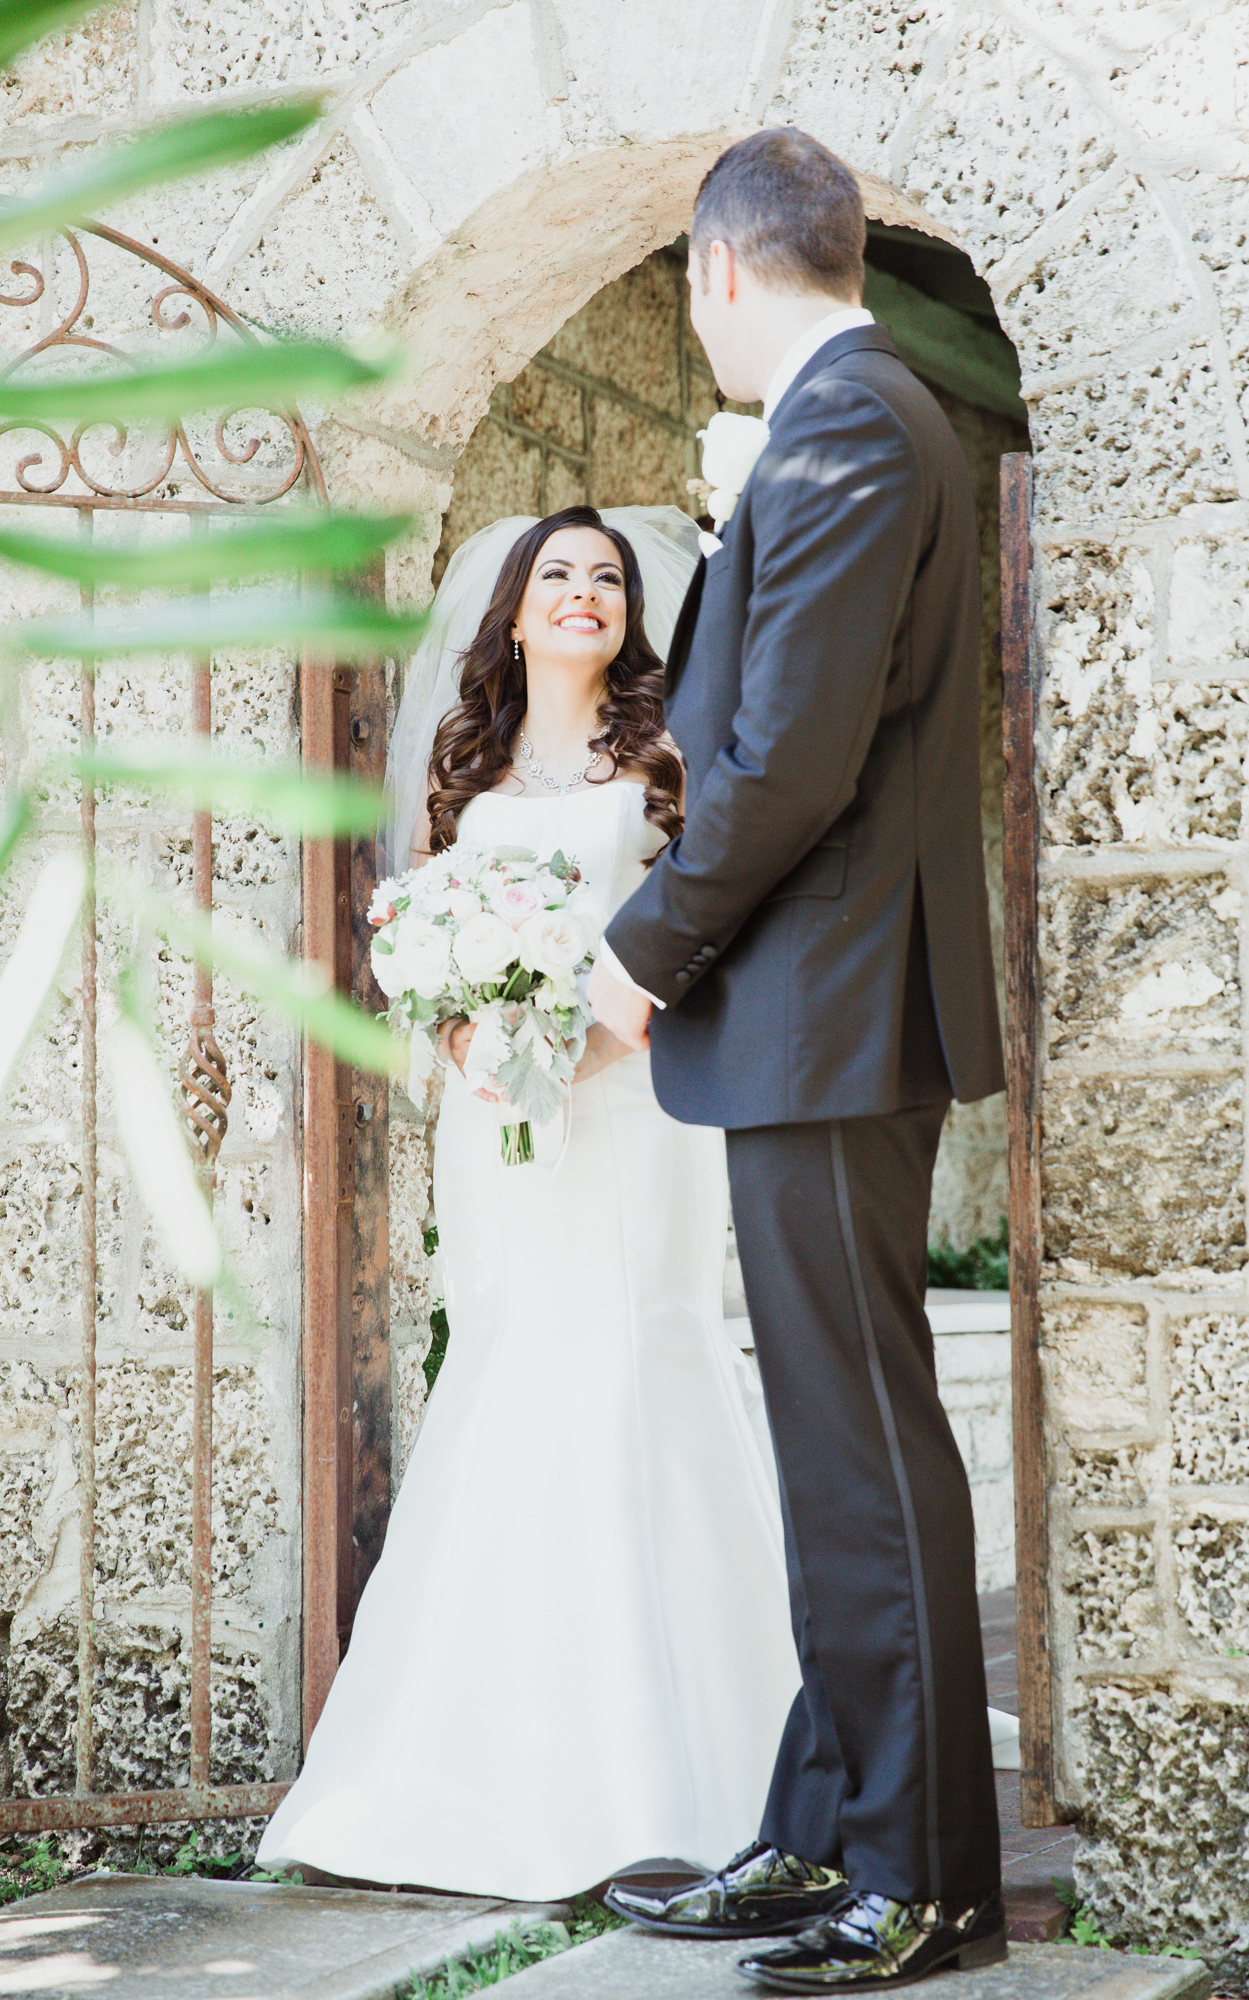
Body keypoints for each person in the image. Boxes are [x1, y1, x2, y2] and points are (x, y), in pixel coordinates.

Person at [592, 131, 1009, 1993]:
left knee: (857, 1446)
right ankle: (824, 1828)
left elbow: (786, 761)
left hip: (828, 1011)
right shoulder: (863, 417)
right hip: (821, 1011)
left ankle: (916, 1879)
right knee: (829, 1443)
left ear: (719, 271)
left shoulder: (847, 425)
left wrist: (640, 959)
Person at [255, 505, 803, 1900]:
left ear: (630, 612)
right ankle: (470, 1757)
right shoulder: (467, 764)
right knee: (510, 1364)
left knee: (638, 1356)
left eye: (605, 578)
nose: (582, 592)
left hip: (635, 1109)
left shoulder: (666, 754)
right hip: (495, 1114)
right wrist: (470, 1039)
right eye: (556, 574)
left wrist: (588, 1044)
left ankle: (693, 1759)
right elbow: (420, 931)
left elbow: (703, 924)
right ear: (511, 610)